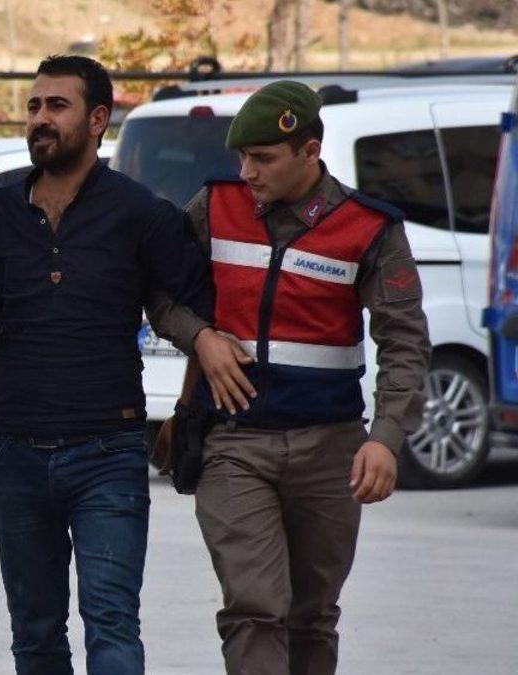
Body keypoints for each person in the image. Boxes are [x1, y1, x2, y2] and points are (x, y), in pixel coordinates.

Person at [0, 55, 210, 674]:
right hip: (15, 454)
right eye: (34, 106)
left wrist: (185, 410)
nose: (40, 119)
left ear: (97, 120)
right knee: (36, 633)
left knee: (112, 624)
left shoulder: (140, 213)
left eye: (56, 106)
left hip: (108, 453)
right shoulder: (1, 209)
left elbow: (197, 313)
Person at [152, 80, 431, 674]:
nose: (247, 172)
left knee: (311, 615)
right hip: (233, 444)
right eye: (242, 157)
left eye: (263, 158)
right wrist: (201, 338)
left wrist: (385, 438)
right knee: (254, 607)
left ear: (310, 151)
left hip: (330, 450)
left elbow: (405, 340)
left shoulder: (371, 228)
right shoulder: (214, 206)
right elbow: (157, 289)